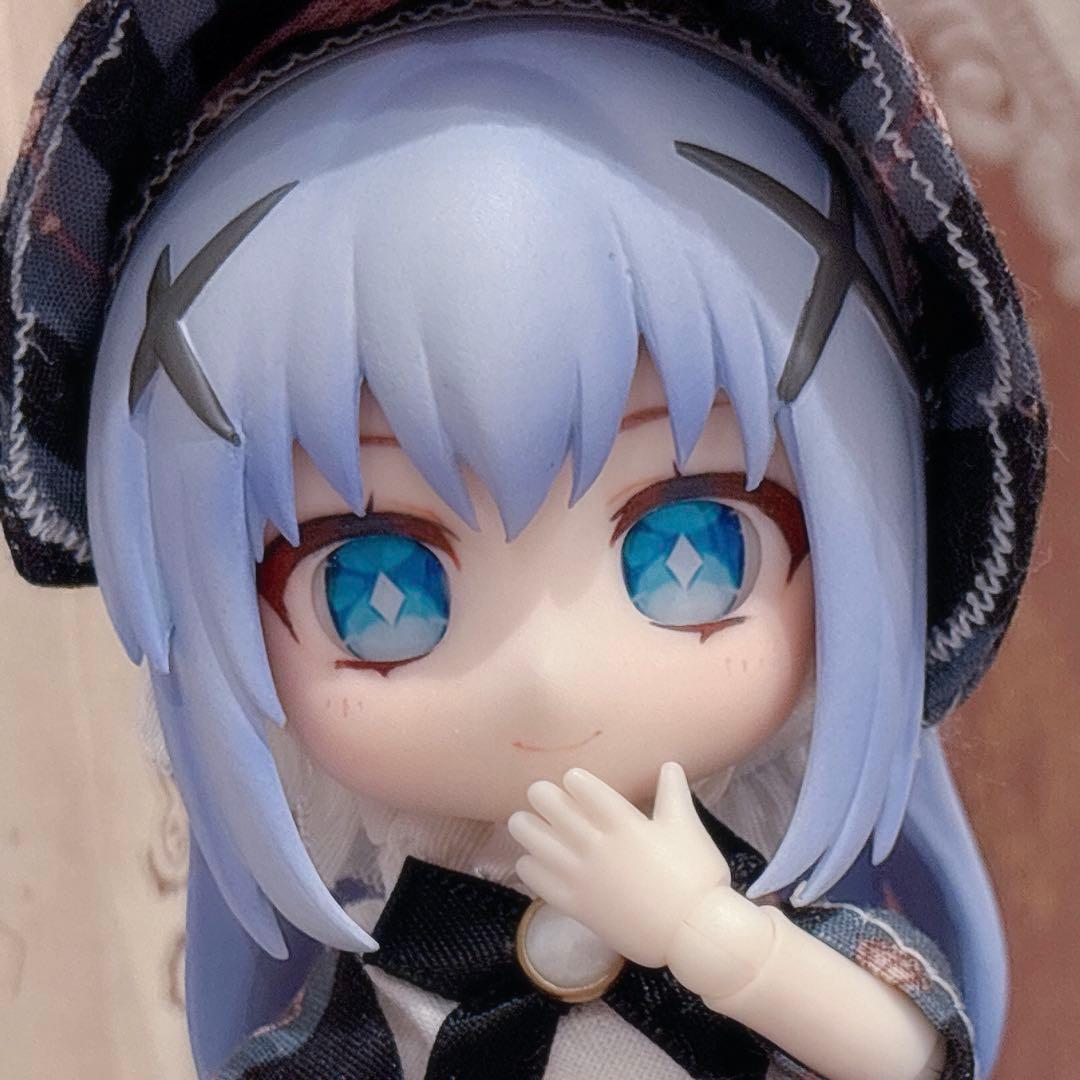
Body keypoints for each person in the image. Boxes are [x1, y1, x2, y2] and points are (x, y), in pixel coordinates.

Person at [0, 4, 1047, 1079]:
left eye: (690, 550)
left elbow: (913, 1057)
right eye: (378, 589)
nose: (545, 676)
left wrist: (714, 939)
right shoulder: (391, 988)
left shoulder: (768, 927)